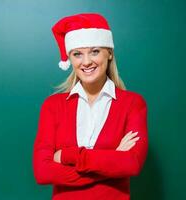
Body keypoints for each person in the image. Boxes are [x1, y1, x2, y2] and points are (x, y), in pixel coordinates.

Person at [33, 13, 148, 200]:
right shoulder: (52, 106)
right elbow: (42, 172)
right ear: (70, 59)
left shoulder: (133, 104)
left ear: (109, 53)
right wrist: (112, 159)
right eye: (77, 54)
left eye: (94, 51)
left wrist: (67, 156)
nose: (86, 62)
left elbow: (131, 164)